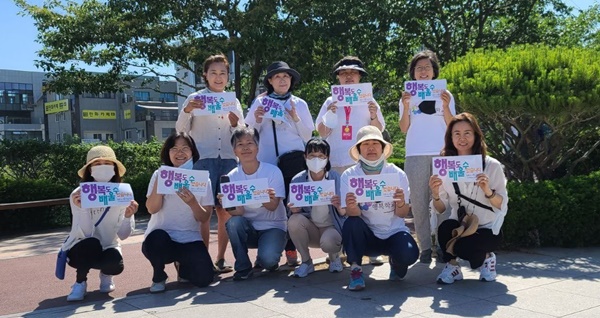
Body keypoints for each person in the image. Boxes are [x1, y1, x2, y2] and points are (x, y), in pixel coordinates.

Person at [175, 54, 245, 273]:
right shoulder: (195, 98)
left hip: (227, 160)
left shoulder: (232, 101)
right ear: (205, 75)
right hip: (202, 161)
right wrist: (187, 111)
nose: (218, 77)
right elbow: (180, 130)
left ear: (228, 76)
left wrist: (235, 124)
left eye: (223, 73)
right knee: (202, 212)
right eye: (213, 73)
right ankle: (202, 260)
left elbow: (242, 133)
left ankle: (221, 259)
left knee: (226, 211)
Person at [315, 56, 386, 266]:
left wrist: (373, 115)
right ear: (338, 77)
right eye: (344, 73)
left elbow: (378, 131)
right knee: (337, 206)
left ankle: (371, 249)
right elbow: (321, 132)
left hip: (362, 163)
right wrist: (330, 114)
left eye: (353, 73)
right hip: (336, 161)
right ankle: (335, 253)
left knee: (366, 205)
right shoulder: (330, 101)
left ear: (359, 78)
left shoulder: (369, 100)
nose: (348, 77)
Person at [245, 61, 314, 266]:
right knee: (273, 205)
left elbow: (308, 134)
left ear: (291, 80)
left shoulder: (299, 103)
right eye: (277, 76)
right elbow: (248, 130)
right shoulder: (260, 102)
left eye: (286, 76)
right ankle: (275, 249)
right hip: (268, 162)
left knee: (294, 205)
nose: (282, 80)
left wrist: (295, 117)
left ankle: (296, 250)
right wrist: (257, 118)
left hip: (294, 161)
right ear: (270, 81)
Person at [429, 113, 508, 284]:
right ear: (450, 137)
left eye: (467, 133)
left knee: (468, 251)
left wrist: (488, 191)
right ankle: (453, 267)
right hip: (461, 224)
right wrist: (435, 193)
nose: (462, 138)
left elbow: (501, 204)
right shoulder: (444, 166)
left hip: (487, 227)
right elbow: (440, 208)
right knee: (445, 228)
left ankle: (487, 258)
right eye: (456, 133)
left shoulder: (491, 165)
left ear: (476, 135)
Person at [340, 126, 419, 291]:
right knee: (351, 222)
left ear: (383, 147)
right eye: (365, 144)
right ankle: (356, 269)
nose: (370, 148)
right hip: (367, 236)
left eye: (375, 143)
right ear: (358, 149)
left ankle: (396, 262)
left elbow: (402, 214)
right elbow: (352, 214)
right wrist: (352, 206)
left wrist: (400, 203)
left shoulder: (397, 174)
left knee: (409, 254)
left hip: (393, 232)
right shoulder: (349, 175)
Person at [398, 50, 457, 263]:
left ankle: (443, 246)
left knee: (443, 200)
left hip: (442, 152)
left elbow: (453, 125)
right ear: (413, 73)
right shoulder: (407, 96)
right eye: (419, 68)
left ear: (434, 71)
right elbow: (404, 128)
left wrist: (446, 103)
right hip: (415, 153)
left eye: (427, 67)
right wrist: (405, 107)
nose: (423, 71)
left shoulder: (446, 94)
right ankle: (424, 248)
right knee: (419, 201)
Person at [62, 145, 139, 301]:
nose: (102, 167)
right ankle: (80, 282)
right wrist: (83, 208)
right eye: (97, 164)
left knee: (115, 264)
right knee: (91, 243)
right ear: (90, 170)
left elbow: (123, 235)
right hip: (80, 247)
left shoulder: (123, 193)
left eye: (107, 163)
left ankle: (106, 274)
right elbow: (86, 233)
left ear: (114, 168)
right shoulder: (78, 194)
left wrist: (127, 216)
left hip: (109, 246)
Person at [143, 132, 215, 293]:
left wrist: (192, 203)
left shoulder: (202, 180)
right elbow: (152, 209)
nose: (179, 153)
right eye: (174, 148)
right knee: (156, 238)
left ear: (192, 152)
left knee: (204, 279)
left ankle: (183, 268)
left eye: (185, 148)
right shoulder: (158, 174)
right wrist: (161, 183)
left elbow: (204, 218)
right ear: (168, 152)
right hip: (162, 238)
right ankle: (159, 276)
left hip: (189, 239)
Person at [220, 127, 288, 281]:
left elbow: (273, 206)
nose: (245, 148)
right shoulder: (232, 177)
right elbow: (237, 213)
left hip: (273, 226)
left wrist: (263, 196)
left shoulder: (273, 171)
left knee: (268, 262)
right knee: (233, 223)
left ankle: (269, 254)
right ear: (234, 151)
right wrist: (227, 203)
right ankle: (243, 268)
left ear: (257, 147)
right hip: (248, 227)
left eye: (249, 143)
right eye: (240, 144)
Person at [287, 137, 346, 278]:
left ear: (327, 158)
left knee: (330, 242)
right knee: (294, 220)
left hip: (331, 228)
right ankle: (306, 262)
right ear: (305, 157)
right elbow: (291, 209)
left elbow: (344, 212)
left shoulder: (336, 178)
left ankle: (334, 258)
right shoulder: (298, 180)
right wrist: (294, 210)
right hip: (311, 228)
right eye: (312, 156)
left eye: (321, 156)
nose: (316, 159)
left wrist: (339, 206)